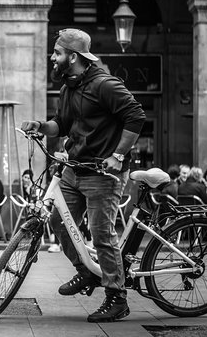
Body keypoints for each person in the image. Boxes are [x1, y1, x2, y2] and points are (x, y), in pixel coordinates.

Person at [20, 28, 145, 323]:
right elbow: (60, 124)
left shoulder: (104, 85)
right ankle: (87, 272)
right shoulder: (68, 88)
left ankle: (117, 298)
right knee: (58, 223)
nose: (53, 58)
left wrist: (117, 156)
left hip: (103, 173)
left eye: (58, 53)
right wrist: (40, 125)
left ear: (73, 57)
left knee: (102, 234)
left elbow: (136, 116)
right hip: (75, 170)